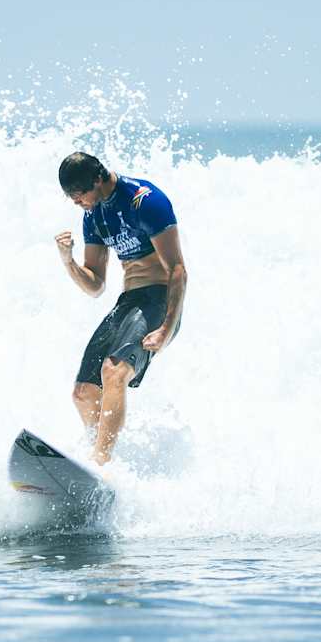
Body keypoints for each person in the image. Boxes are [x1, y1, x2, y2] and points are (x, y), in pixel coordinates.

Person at [55, 152, 187, 466]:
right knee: (84, 392)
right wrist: (68, 262)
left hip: (158, 300)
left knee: (113, 372)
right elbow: (96, 284)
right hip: (129, 302)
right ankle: (98, 458)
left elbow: (178, 270)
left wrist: (166, 328)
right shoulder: (94, 215)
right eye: (71, 198)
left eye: (79, 195)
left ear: (98, 179)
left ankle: (101, 461)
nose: (77, 203)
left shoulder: (145, 201)